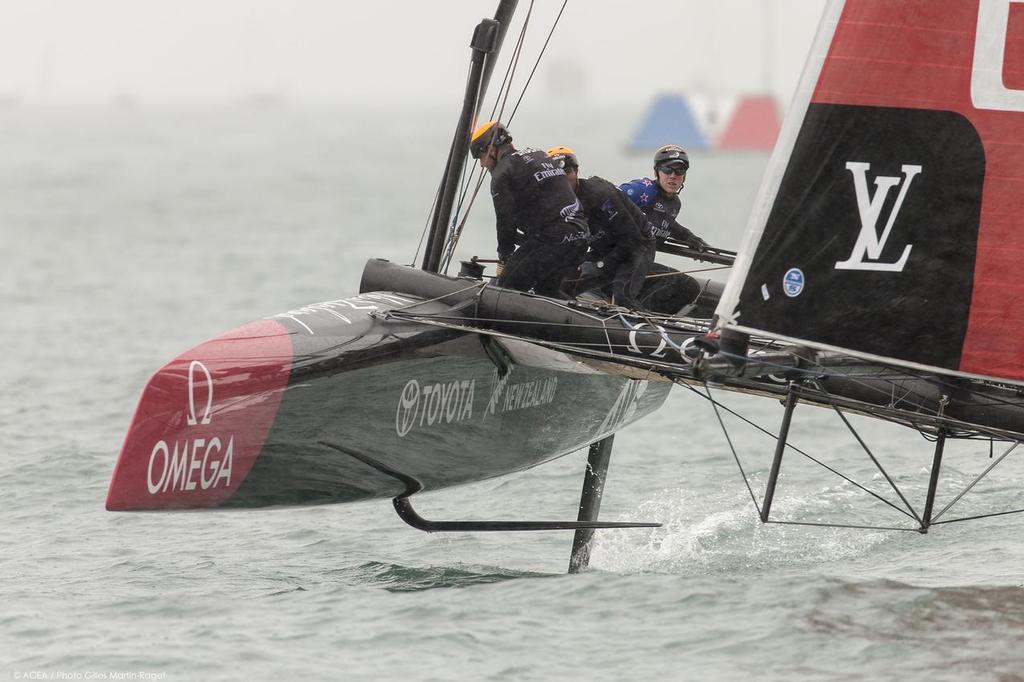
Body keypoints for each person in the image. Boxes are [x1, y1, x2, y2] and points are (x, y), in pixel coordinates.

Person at [470, 120, 589, 298]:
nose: (481, 164)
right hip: (581, 237)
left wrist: (504, 257)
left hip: (553, 240)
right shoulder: (540, 154)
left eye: (480, 157)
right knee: (546, 290)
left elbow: (505, 224)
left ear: (491, 149)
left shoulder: (502, 174)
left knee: (505, 290)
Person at [546, 146, 654, 311]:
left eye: (567, 172)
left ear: (576, 171)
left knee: (622, 295)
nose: (563, 179)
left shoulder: (598, 194)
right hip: (603, 246)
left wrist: (604, 264)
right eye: (557, 175)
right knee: (563, 286)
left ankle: (648, 328)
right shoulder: (557, 202)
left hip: (638, 243)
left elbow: (632, 238)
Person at [619, 144, 711, 314]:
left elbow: (665, 224)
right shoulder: (642, 189)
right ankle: (637, 315)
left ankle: (643, 317)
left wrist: (690, 237)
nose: (673, 176)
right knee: (677, 282)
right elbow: (606, 198)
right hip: (615, 261)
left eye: (679, 171)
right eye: (667, 170)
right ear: (656, 172)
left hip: (638, 263)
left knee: (689, 287)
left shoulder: (674, 204)